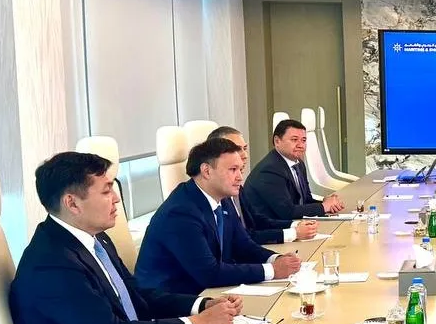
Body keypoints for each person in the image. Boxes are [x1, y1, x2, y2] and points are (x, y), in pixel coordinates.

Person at [9, 152, 241, 324]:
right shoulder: (52, 263)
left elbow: (138, 296)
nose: (116, 199)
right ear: (72, 203)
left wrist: (202, 305)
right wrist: (197, 323)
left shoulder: (96, 238)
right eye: (106, 191)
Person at [137, 138, 302, 294]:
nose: (240, 177)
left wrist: (276, 259)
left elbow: (243, 245)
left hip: (209, 292)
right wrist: (272, 270)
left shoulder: (222, 198)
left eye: (240, 169)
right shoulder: (180, 212)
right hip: (174, 300)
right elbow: (209, 273)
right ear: (207, 171)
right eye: (233, 170)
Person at [207, 125, 317, 245]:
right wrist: (293, 233)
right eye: (236, 149)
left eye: (244, 148)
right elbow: (242, 238)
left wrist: (295, 225)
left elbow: (257, 220)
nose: (245, 155)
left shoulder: (236, 187)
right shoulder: (269, 169)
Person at [245, 119, 346, 222]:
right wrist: (323, 207)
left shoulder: (299, 164)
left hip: (294, 224)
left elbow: (305, 201)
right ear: (277, 141)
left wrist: (327, 204)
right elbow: (287, 212)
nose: (300, 145)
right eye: (294, 140)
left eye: (303, 140)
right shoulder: (270, 170)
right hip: (271, 229)